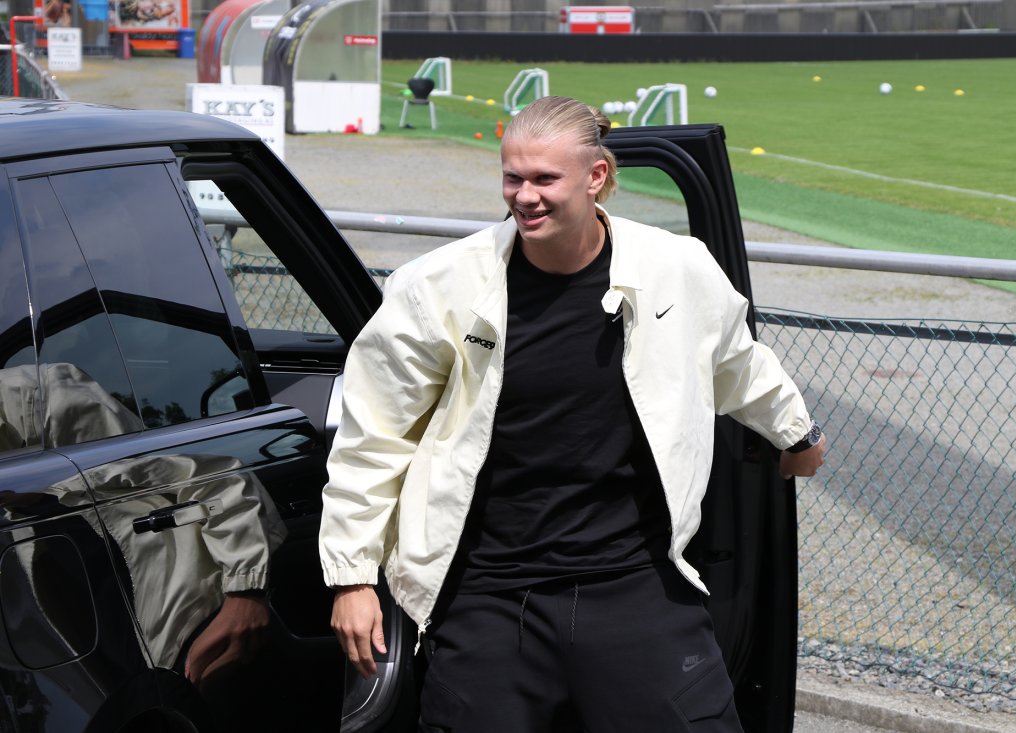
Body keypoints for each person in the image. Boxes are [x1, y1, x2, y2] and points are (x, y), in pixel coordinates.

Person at [320, 95, 826, 732]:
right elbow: (376, 432)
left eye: (543, 179)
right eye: (512, 176)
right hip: (490, 593)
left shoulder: (675, 269)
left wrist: (795, 432)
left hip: (635, 582)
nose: (524, 196)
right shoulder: (439, 286)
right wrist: (351, 576)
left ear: (597, 178)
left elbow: (737, 361)